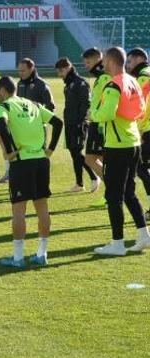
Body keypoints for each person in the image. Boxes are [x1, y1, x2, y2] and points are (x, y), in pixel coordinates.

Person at [0, 77, 63, 268]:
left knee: (18, 210)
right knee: (42, 207)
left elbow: (1, 126)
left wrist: (9, 151)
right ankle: (42, 254)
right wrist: (50, 149)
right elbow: (58, 122)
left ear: (2, 91)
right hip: (41, 161)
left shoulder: (4, 107)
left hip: (22, 163)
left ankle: (17, 258)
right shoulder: (33, 105)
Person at [91, 46, 150, 255]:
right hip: (133, 142)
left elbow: (107, 113)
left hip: (117, 146)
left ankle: (117, 243)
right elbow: (142, 109)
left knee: (114, 195)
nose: (102, 64)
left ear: (111, 61)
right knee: (129, 193)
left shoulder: (113, 84)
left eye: (104, 60)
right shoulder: (133, 81)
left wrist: (94, 113)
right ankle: (144, 235)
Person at [55, 57, 98, 193]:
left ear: (68, 67)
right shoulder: (69, 83)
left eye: (61, 70)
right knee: (74, 153)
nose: (59, 74)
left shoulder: (80, 83)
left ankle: (94, 177)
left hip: (78, 123)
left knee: (77, 152)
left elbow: (86, 104)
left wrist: (80, 122)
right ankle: (79, 184)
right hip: (70, 122)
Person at [83, 47, 112, 208]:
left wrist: (94, 113)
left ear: (96, 59)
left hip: (99, 124)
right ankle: (111, 193)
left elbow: (108, 99)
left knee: (90, 159)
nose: (86, 65)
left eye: (88, 62)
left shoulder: (104, 75)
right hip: (97, 121)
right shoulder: (101, 75)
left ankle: (114, 190)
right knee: (100, 159)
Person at [126, 47, 150, 219]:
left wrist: (138, 129)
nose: (128, 64)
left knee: (141, 168)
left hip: (147, 129)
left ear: (139, 58)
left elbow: (141, 106)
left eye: (130, 61)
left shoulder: (143, 77)